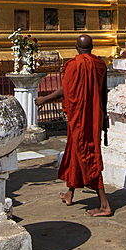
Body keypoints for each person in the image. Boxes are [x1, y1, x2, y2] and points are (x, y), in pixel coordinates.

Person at [36, 33, 111, 217]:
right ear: (91, 47)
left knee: (88, 155)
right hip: (94, 115)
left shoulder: (74, 65)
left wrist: (44, 99)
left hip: (79, 117)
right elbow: (103, 93)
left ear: (76, 47)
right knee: (75, 152)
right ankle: (70, 194)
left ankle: (104, 205)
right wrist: (104, 119)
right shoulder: (100, 64)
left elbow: (64, 90)